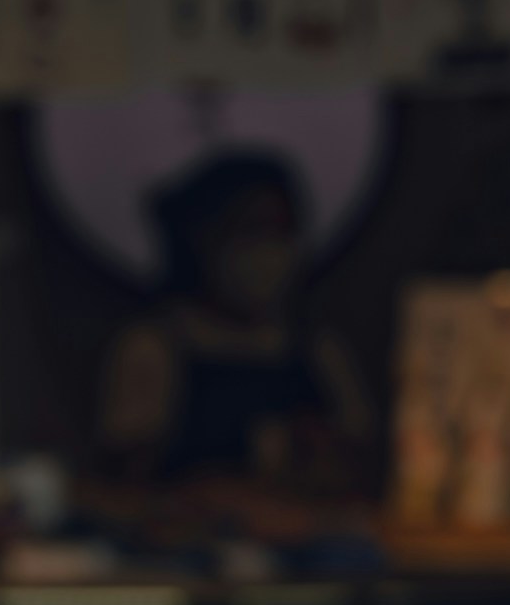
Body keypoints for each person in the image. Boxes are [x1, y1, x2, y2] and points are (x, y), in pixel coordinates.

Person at [94, 147, 368, 490]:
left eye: (282, 232)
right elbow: (126, 477)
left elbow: (361, 457)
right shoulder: (155, 347)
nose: (269, 251)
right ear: (203, 238)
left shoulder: (318, 348)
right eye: (252, 231)